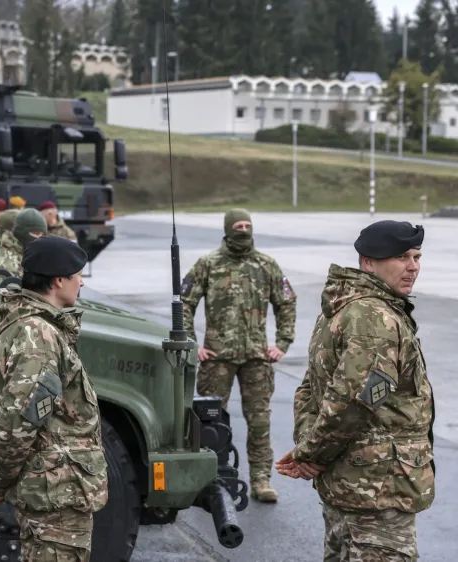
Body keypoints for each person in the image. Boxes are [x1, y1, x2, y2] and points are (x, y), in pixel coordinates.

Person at [277, 220, 435, 561]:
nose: (413, 267)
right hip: (378, 492)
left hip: (350, 484)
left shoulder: (342, 306)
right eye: (402, 257)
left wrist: (309, 451)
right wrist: (311, 457)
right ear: (368, 262)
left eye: (416, 257)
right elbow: (355, 403)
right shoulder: (374, 316)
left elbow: (310, 390)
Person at [0, 235, 107, 562]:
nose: (81, 283)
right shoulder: (39, 336)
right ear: (58, 280)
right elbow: (21, 419)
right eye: (77, 276)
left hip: (53, 486)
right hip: (56, 492)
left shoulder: (33, 327)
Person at [180, 208, 296, 503]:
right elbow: (184, 302)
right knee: (210, 423)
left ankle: (261, 480)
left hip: (257, 358)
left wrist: (282, 343)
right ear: (228, 229)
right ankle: (206, 481)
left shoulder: (266, 264)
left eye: (247, 225)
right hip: (216, 358)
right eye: (238, 225)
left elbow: (286, 303)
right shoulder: (209, 264)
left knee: (259, 422)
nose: (243, 230)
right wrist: (193, 344)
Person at [0, 209, 48, 279]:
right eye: (36, 233)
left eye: (42, 235)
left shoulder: (22, 253)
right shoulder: (3, 262)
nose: (40, 238)